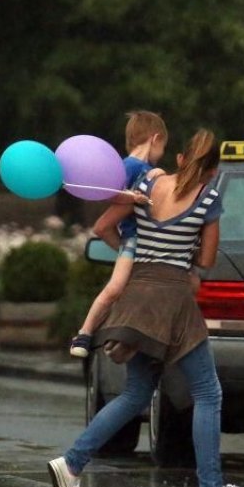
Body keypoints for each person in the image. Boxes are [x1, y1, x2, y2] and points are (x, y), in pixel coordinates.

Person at [48, 129, 244, 487]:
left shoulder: (147, 182)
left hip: (136, 293)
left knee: (136, 393)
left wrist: (135, 248)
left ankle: (72, 463)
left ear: (180, 158)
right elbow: (208, 260)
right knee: (208, 393)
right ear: (213, 170)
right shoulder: (208, 198)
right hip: (173, 300)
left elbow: (106, 225)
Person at [69, 110, 168, 358]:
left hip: (140, 241)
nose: (162, 153)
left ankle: (116, 338)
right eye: (163, 146)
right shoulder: (130, 166)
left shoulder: (145, 168)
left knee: (124, 291)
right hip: (136, 238)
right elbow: (107, 192)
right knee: (114, 288)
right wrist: (132, 197)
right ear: (155, 139)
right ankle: (85, 332)